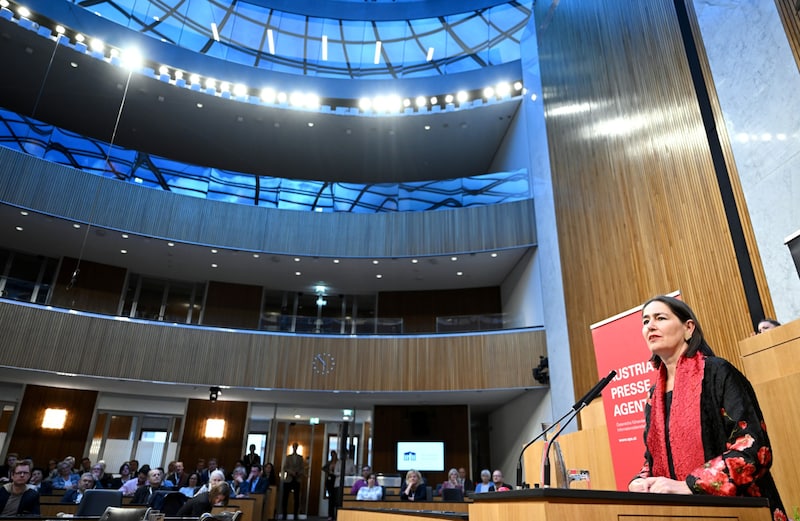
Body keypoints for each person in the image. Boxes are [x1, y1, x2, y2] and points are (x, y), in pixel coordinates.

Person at [628, 295, 786, 521]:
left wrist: (692, 485)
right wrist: (640, 481)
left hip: (739, 510)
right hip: (681, 513)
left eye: (660, 318)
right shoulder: (654, 396)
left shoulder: (717, 372)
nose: (650, 325)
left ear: (688, 328)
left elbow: (753, 447)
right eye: (645, 321)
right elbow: (652, 459)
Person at [281, 443, 304, 520]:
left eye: (296, 447)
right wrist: (291, 472)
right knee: (285, 497)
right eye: (294, 447)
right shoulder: (288, 457)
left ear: (297, 448)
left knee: (297, 498)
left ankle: (295, 515)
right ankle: (284, 514)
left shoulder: (300, 458)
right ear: (292, 448)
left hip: (296, 479)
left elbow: (302, 468)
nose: (295, 448)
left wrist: (298, 473)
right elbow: (285, 467)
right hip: (288, 479)